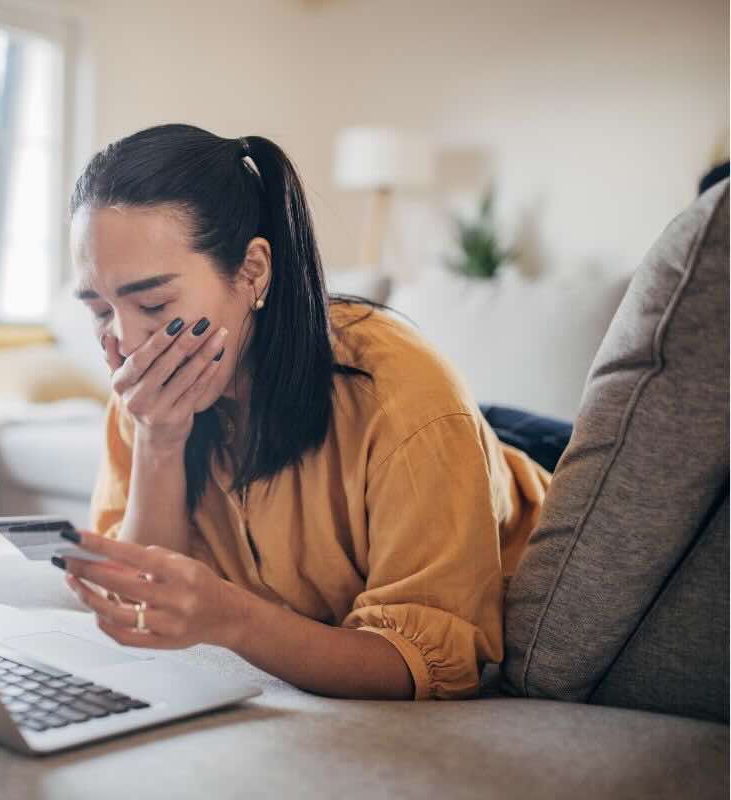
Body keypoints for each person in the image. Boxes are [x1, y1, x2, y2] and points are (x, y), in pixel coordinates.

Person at [54, 123, 553, 700]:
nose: (124, 341)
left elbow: (427, 666)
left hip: (518, 484)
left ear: (252, 273)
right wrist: (157, 441)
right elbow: (140, 599)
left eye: (152, 303)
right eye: (97, 310)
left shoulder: (404, 396)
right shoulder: (144, 389)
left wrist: (235, 618)